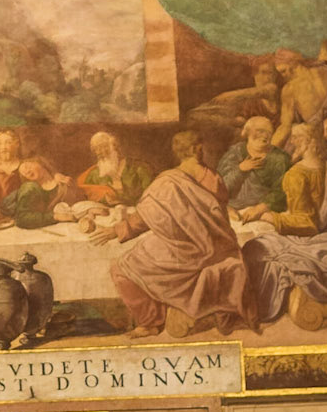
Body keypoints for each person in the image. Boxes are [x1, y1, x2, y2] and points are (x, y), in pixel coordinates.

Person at [94, 130, 252, 338]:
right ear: (197, 149)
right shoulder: (213, 178)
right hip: (215, 247)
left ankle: (150, 322)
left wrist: (116, 230)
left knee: (121, 268)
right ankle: (180, 311)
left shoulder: (165, 181)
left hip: (179, 249)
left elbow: (142, 219)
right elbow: (220, 218)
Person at [244, 116, 327, 328]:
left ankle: (256, 310)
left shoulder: (296, 174)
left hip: (313, 234)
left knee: (254, 248)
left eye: (296, 138)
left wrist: (269, 218)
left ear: (309, 142)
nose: (292, 143)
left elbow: (307, 223)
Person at [219, 115, 291, 213]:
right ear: (247, 131)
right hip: (232, 209)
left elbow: (281, 192)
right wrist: (240, 169)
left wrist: (260, 209)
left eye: (269, 132)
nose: (265, 136)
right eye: (260, 131)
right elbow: (221, 187)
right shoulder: (235, 153)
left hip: (265, 211)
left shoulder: (279, 158)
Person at [270, 47, 327, 148]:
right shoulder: (326, 69)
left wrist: (268, 151)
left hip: (317, 143)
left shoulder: (290, 89)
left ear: (293, 63)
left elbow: (285, 127)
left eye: (283, 71)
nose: (284, 76)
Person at [76, 131, 153, 208]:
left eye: (104, 146)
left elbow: (150, 196)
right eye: (96, 149)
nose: (100, 152)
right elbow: (83, 195)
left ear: (115, 147)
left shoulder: (138, 168)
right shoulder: (94, 174)